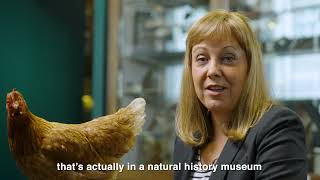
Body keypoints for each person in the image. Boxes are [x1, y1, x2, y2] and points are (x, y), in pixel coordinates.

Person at [173, 10, 307, 180]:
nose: (213, 71)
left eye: (228, 58)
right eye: (202, 58)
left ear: (249, 68)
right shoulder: (187, 140)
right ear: (190, 69)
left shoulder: (279, 128)